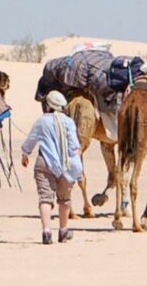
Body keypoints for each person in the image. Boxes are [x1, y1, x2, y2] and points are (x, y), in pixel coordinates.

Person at [21, 91, 83, 244]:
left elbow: (31, 140)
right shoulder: (69, 122)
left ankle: (46, 231)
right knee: (65, 199)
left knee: (45, 198)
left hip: (44, 162)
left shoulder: (42, 121)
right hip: (66, 165)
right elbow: (74, 146)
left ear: (47, 105)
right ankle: (63, 231)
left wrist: (25, 154)